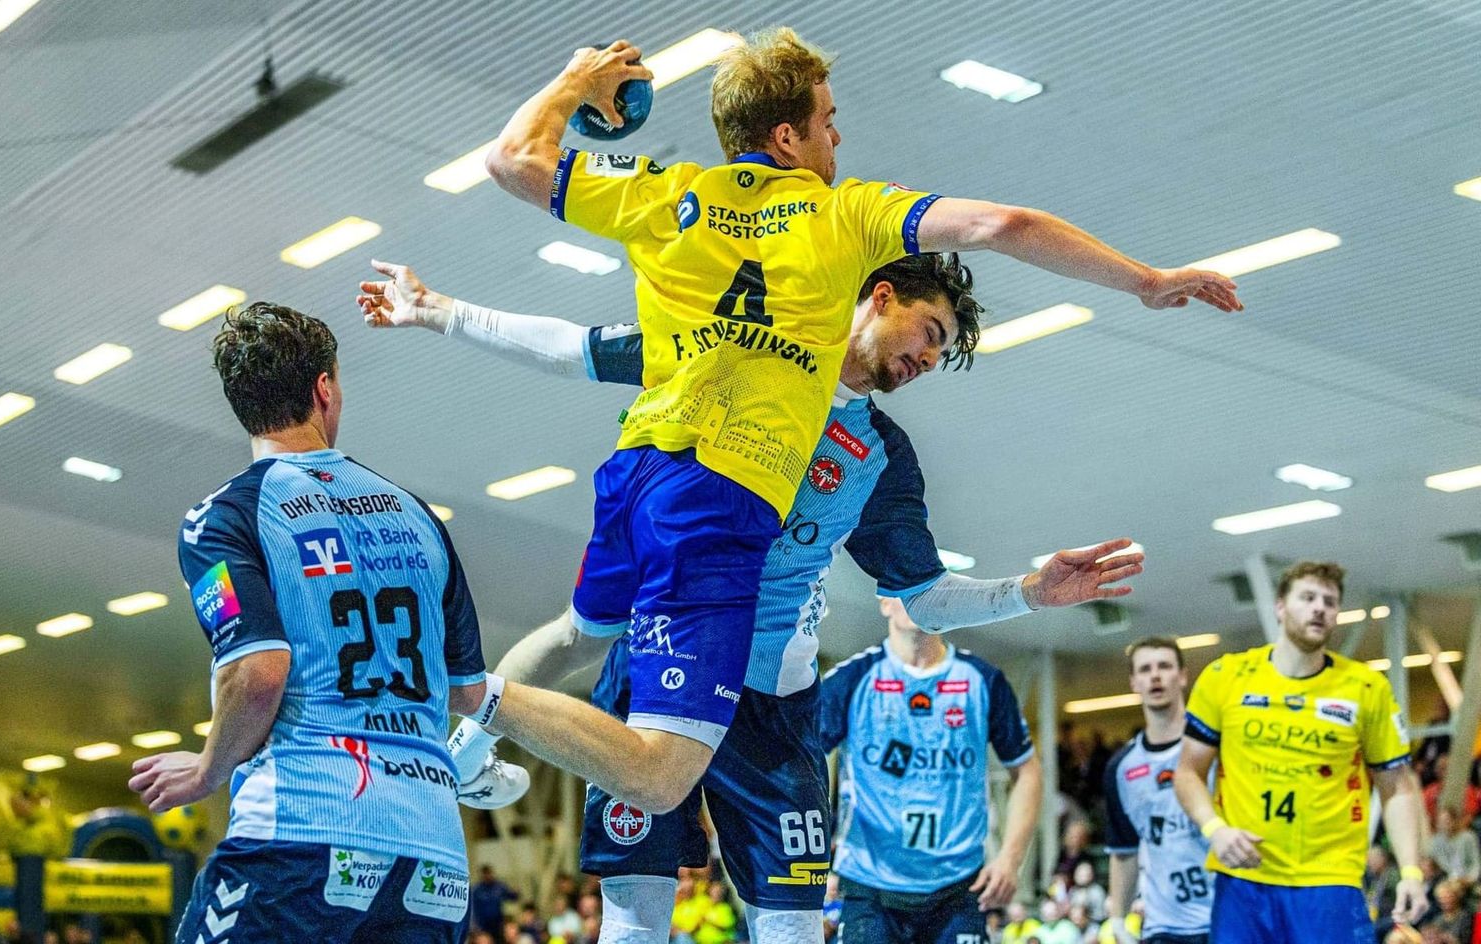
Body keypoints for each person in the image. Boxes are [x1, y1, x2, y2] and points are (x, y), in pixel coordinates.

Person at [463, 21, 1240, 864]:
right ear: (787, 136)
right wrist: (1145, 281)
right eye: (828, 122)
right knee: (658, 779)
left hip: (637, 469)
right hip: (718, 497)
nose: (838, 138)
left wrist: (577, 78)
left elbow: (512, 159)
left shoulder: (666, 191)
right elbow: (1004, 222)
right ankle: (455, 694)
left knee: (581, 634)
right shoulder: (845, 214)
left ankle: (463, 749)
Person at [360, 250, 1142, 943]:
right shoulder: (740, 349)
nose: (930, 358)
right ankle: (462, 751)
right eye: (930, 332)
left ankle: (468, 732)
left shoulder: (881, 457)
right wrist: (439, 310)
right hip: (664, 658)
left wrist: (1030, 592)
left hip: (772, 703)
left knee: (793, 927)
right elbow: (582, 349)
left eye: (943, 352)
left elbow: (926, 597)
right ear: (880, 297)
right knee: (633, 916)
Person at [127, 303, 511, 943]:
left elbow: (258, 673)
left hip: (302, 835)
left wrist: (206, 771)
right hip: (435, 860)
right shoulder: (417, 516)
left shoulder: (223, 517)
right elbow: (467, 690)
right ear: (324, 389)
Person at [1173, 560, 1429, 942]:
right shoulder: (1226, 677)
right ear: (1280, 606)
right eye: (1308, 598)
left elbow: (1398, 786)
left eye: (1329, 601)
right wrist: (1215, 830)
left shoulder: (1366, 688)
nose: (1319, 608)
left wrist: (1410, 871)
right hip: (1245, 880)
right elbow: (1187, 772)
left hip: (1329, 882)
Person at [819, 597, 1043, 944]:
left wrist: (1010, 860)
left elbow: (1027, 771)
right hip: (870, 886)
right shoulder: (852, 679)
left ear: (944, 601)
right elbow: (799, 763)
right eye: (903, 589)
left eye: (926, 589)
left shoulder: (982, 680)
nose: (915, 598)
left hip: (959, 885)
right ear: (884, 602)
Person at [1102, 637, 1211, 944]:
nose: (1155, 676)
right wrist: (1118, 921)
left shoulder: (1215, 746)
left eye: (1164, 666)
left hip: (1227, 916)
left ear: (1182, 676)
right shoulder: (1121, 768)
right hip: (1164, 927)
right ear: (1134, 683)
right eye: (1145, 669)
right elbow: (1124, 851)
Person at [1426, 807, 1481, 884]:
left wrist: (1470, 880)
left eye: (1447, 821)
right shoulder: (1436, 841)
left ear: (1455, 821)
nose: (1444, 825)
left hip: (1467, 880)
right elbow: (1428, 858)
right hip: (1446, 880)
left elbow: (1476, 864)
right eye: (1441, 821)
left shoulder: (1468, 838)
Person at [473, 867, 520, 942]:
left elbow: (512, 897)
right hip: (483, 925)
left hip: (498, 923)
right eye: (485, 874)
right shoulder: (477, 890)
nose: (487, 876)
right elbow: (473, 908)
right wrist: (476, 925)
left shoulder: (499, 887)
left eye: (489, 874)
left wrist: (516, 893)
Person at [1423, 878, 1475, 944]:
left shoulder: (1465, 917)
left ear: (1457, 897)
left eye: (1449, 897)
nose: (1444, 901)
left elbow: (1465, 941)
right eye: (1441, 898)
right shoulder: (1438, 919)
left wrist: (1444, 937)